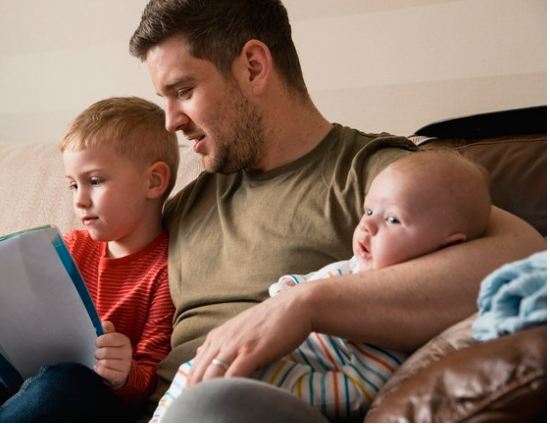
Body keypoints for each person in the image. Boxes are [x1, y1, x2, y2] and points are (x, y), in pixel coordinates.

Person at [0, 0, 544, 422]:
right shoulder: (186, 200)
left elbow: (521, 256)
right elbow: (93, 312)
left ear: (252, 65)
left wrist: (302, 306)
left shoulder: (375, 175)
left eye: (182, 90)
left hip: (234, 405)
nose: (169, 121)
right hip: (128, 405)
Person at [151, 150, 492, 422]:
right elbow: (297, 286)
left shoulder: (394, 321)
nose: (367, 227)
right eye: (368, 211)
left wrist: (274, 373)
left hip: (262, 392)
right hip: (192, 382)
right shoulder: (351, 267)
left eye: (392, 220)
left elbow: (356, 390)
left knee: (212, 399)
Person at [0, 97, 179, 422]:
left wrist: (126, 374)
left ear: (154, 181)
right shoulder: (69, 246)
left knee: (63, 384)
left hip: (91, 395)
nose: (80, 200)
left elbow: (153, 382)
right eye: (72, 185)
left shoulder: (167, 269)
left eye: (95, 181)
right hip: (24, 377)